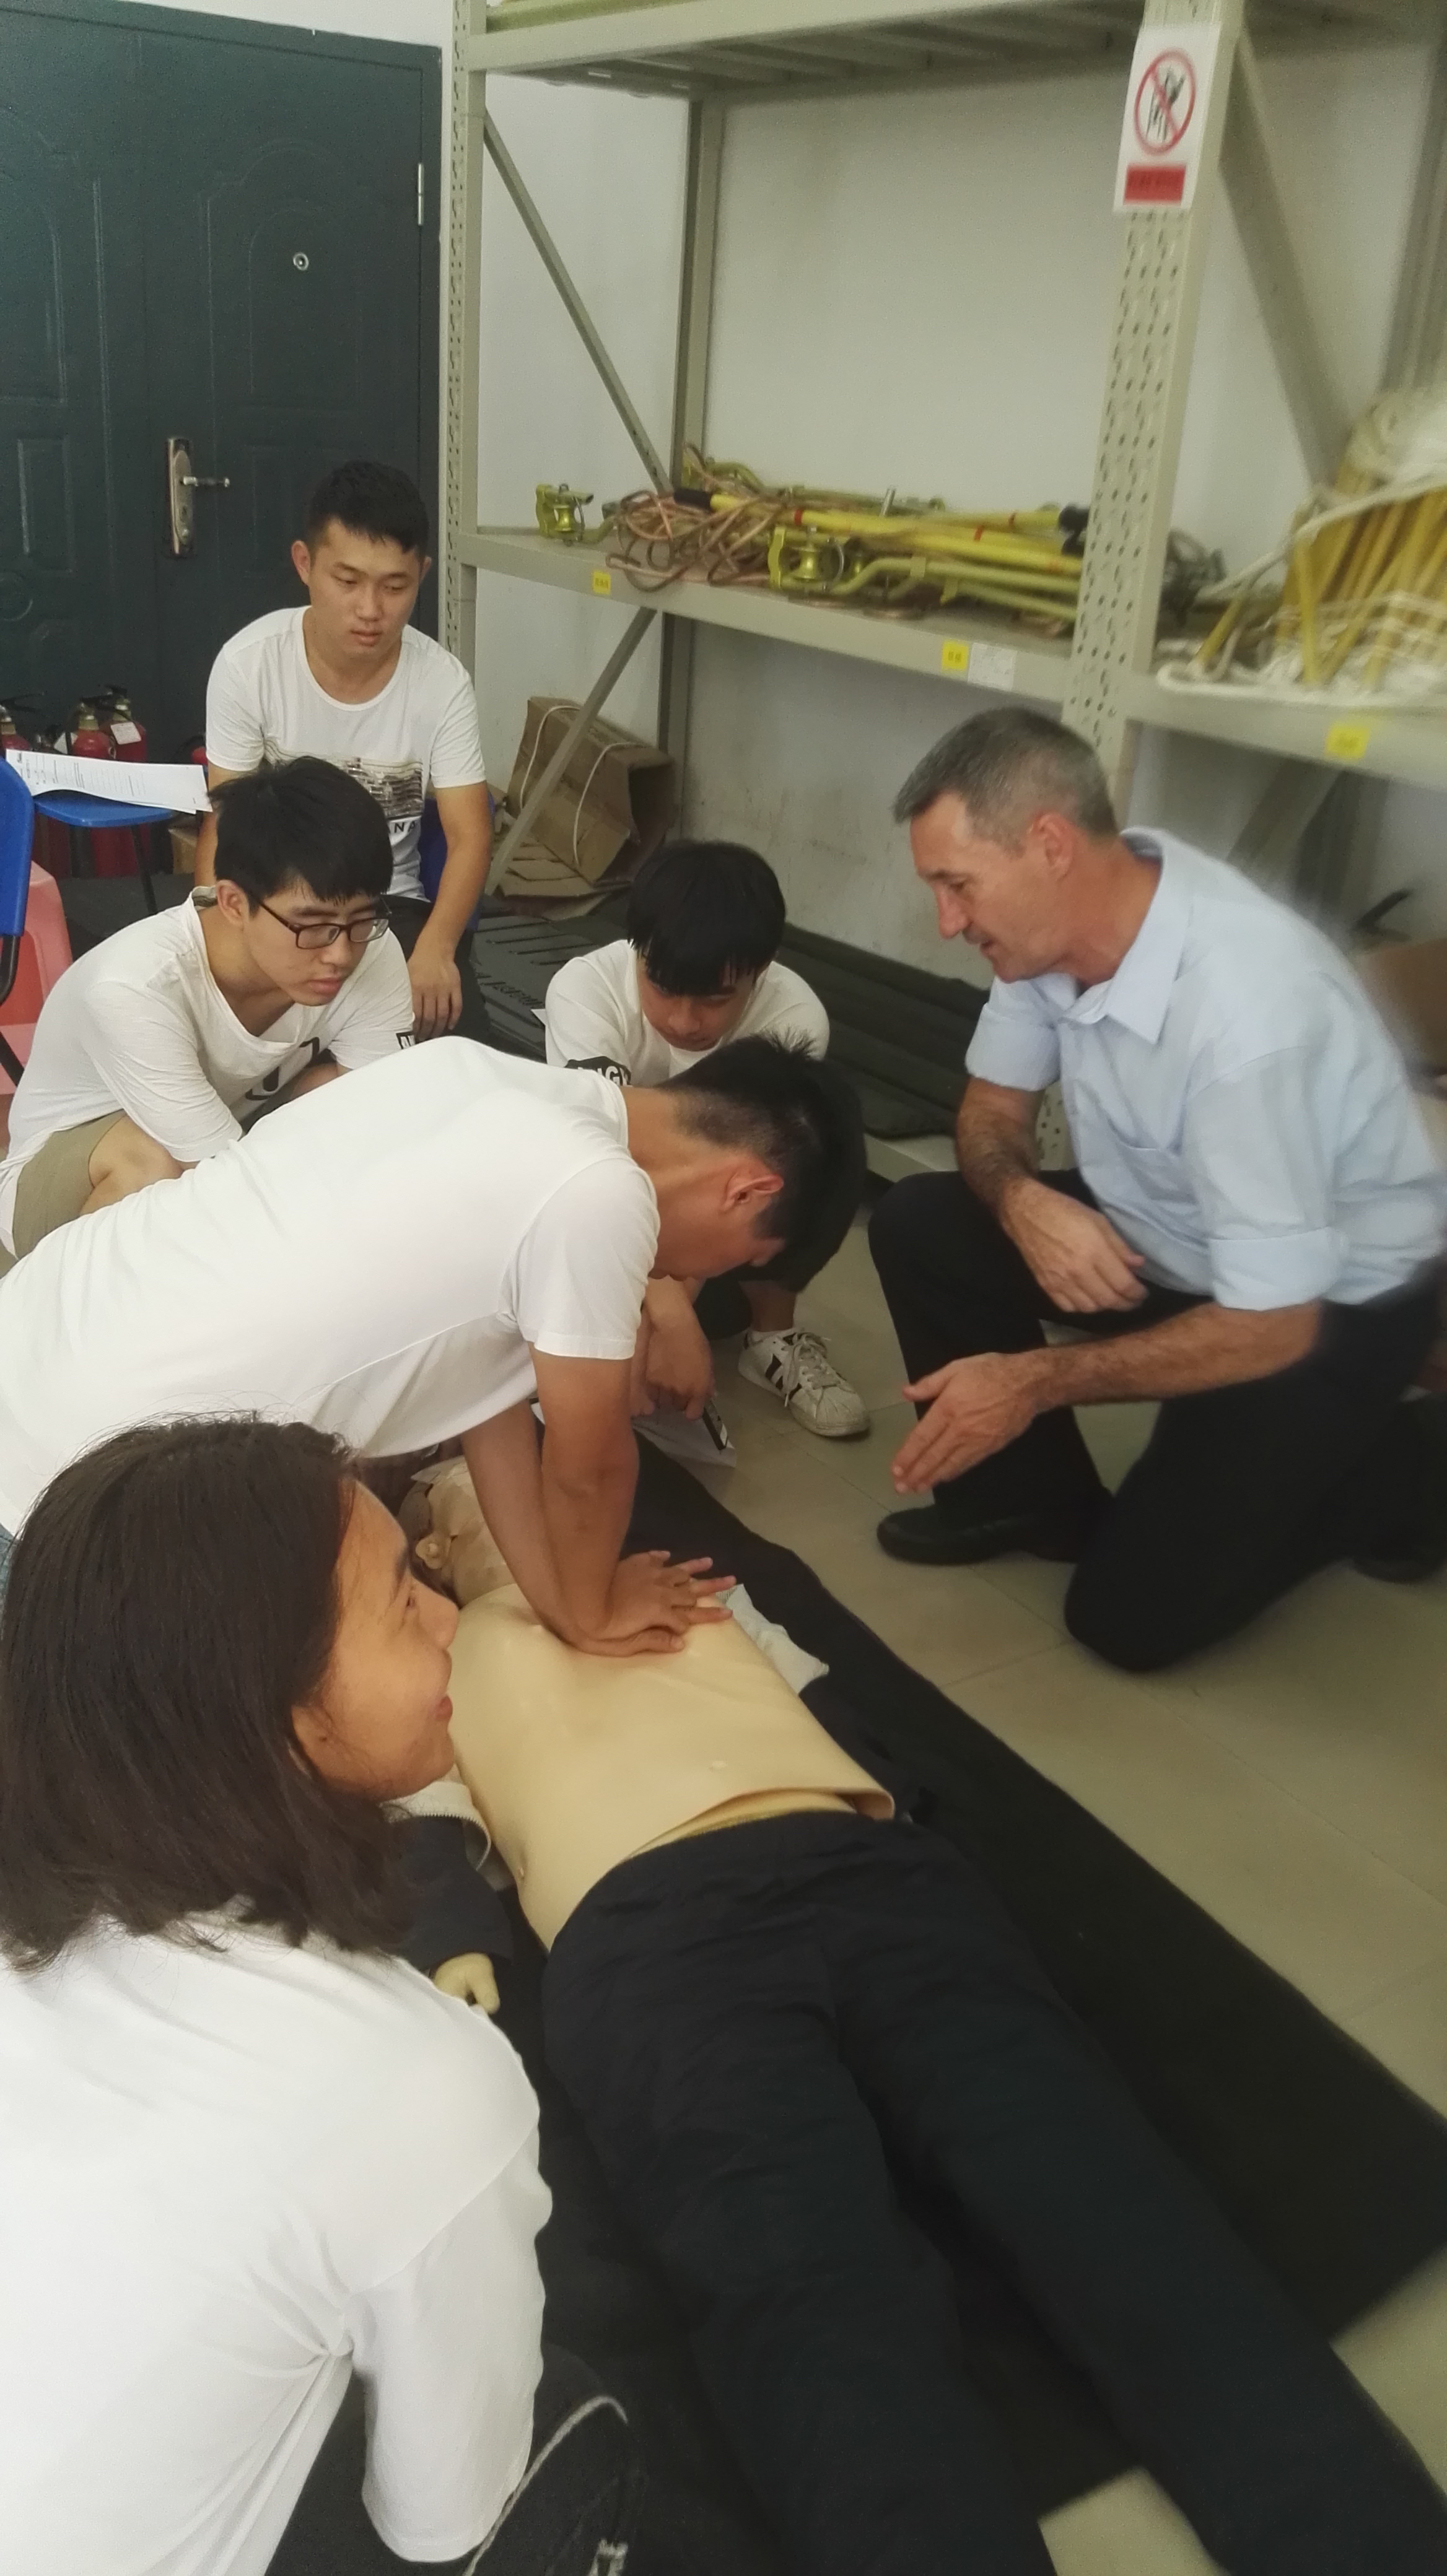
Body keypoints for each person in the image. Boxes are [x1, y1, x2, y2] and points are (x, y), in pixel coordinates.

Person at [429, 1531, 1447, 2576]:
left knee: (1101, 2193)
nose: (501, 1508)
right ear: (434, 1541)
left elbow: (821, 1695)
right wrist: (453, 1939)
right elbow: (417, 1823)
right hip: (647, 1934)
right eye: (466, 1497)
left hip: (863, 1866)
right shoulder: (430, 1656)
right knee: (801, 2281)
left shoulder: (690, 1585)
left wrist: (893, 1800)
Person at [0, 1416, 641, 2576]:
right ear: (278, 1714)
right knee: (566, 2417)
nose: (449, 1619)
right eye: (403, 1602)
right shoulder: (424, 2091)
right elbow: (442, 2519)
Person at [867, 708, 1447, 1671]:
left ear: (1050, 845)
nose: (948, 922)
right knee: (924, 1222)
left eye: (957, 885)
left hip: (1321, 1308)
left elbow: (1273, 1324)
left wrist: (1031, 1383)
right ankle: (1026, 1502)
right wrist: (1023, 1204)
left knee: (1127, 1622)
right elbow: (991, 1111)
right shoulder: (1052, 929)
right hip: (1176, 1240)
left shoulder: (1248, 1016)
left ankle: (1402, 1463)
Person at [0, 1035, 853, 1653]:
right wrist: (597, 1611)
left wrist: (563, 1605)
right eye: (745, 1260)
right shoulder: (598, 1190)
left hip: (39, 1329)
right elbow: (590, 1462)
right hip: (68, 1490)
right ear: (748, 1190)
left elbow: (484, 1397)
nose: (699, 1277)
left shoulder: (465, 1070)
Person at [0, 759, 413, 1271]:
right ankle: (50, 1311)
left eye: (362, 919)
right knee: (152, 1164)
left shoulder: (372, 950)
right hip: (57, 1193)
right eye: (312, 926)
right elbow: (230, 1188)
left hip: (218, 1146)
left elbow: (387, 1116)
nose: (341, 954)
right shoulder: (134, 988)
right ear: (234, 903)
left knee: (345, 1098)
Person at [545, 840, 869, 1438]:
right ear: (637, 950)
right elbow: (595, 1169)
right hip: (615, 1202)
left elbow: (734, 1184)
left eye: (715, 1000)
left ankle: (773, 1339)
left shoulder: (794, 1020)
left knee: (804, 1170)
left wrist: (667, 1319)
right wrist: (666, 1320)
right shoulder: (585, 991)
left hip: (714, 1216)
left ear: (761, 970)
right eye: (664, 990)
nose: (684, 1021)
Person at [195, 459, 491, 1043]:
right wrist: (220, 931)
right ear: (305, 564)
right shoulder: (249, 665)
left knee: (459, 1062)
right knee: (232, 1041)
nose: (370, 609)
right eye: (348, 581)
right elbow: (224, 821)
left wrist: (437, 948)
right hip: (279, 906)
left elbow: (470, 835)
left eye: (395, 587)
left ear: (423, 574)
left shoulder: (442, 683)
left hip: (385, 909)